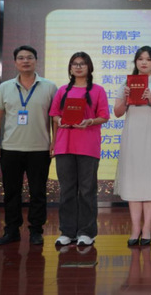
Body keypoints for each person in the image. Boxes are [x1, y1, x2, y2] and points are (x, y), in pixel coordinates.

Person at [0, 45, 57, 245]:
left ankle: (36, 230)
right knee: (11, 192)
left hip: (40, 149)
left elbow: (55, 118)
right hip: (10, 148)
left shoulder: (49, 87)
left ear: (36, 61)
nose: (25, 61)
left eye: (29, 57)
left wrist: (55, 141)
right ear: (15, 62)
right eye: (21, 58)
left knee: (38, 192)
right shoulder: (5, 87)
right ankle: (12, 230)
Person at [113, 46, 151, 247]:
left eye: (148, 59)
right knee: (133, 181)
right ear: (136, 62)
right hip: (132, 137)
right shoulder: (126, 84)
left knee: (150, 181)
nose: (144, 62)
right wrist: (127, 99)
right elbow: (117, 113)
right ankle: (135, 228)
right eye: (140, 59)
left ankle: (147, 228)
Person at [49, 52, 109, 246]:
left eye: (82, 63)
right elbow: (54, 114)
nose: (78, 66)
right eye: (75, 63)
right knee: (66, 190)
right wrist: (60, 121)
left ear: (89, 67)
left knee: (87, 191)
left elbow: (104, 116)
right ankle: (67, 232)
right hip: (64, 146)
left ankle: (87, 232)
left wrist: (89, 121)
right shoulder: (62, 91)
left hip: (88, 147)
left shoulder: (98, 90)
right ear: (70, 68)